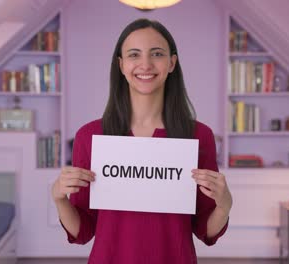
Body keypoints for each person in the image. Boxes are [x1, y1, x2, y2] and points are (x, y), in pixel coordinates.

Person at [51, 18, 233, 263]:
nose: (145, 64)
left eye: (156, 54)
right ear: (121, 65)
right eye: (134, 55)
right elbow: (83, 231)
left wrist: (224, 205)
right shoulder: (90, 136)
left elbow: (205, 230)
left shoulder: (199, 136)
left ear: (172, 63)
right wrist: (59, 197)